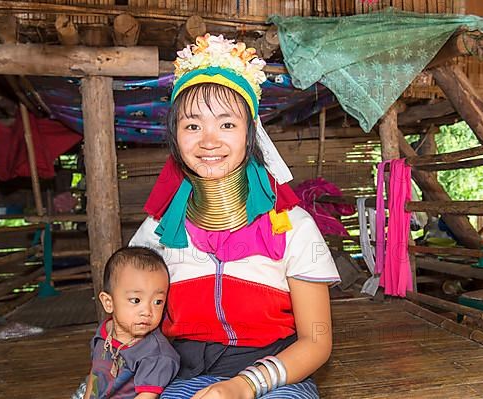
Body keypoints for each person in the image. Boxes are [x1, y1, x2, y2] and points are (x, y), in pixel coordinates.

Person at [129, 34, 341, 399]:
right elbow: (129, 321)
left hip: (273, 376)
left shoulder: (295, 228)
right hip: (175, 375)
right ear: (175, 137)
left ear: (250, 135)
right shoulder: (155, 234)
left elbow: (317, 341)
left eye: (227, 125)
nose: (208, 141)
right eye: (192, 126)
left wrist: (244, 386)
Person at [82, 246, 180, 399]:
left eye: (158, 302)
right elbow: (95, 374)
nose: (147, 311)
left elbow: (146, 396)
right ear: (109, 302)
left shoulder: (156, 355)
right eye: (136, 300)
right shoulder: (104, 332)